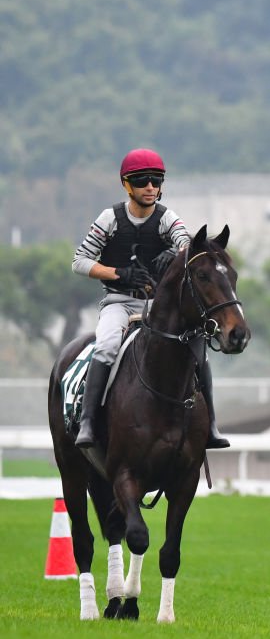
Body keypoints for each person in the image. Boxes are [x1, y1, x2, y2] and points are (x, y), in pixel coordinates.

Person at [71, 148, 230, 449]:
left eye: (156, 180)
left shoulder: (166, 217)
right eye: (142, 180)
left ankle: (210, 425)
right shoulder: (110, 218)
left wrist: (177, 252)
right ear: (127, 185)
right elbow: (79, 261)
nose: (150, 187)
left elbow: (187, 243)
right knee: (105, 346)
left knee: (198, 351)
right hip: (119, 302)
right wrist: (117, 273)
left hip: (158, 306)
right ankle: (89, 423)